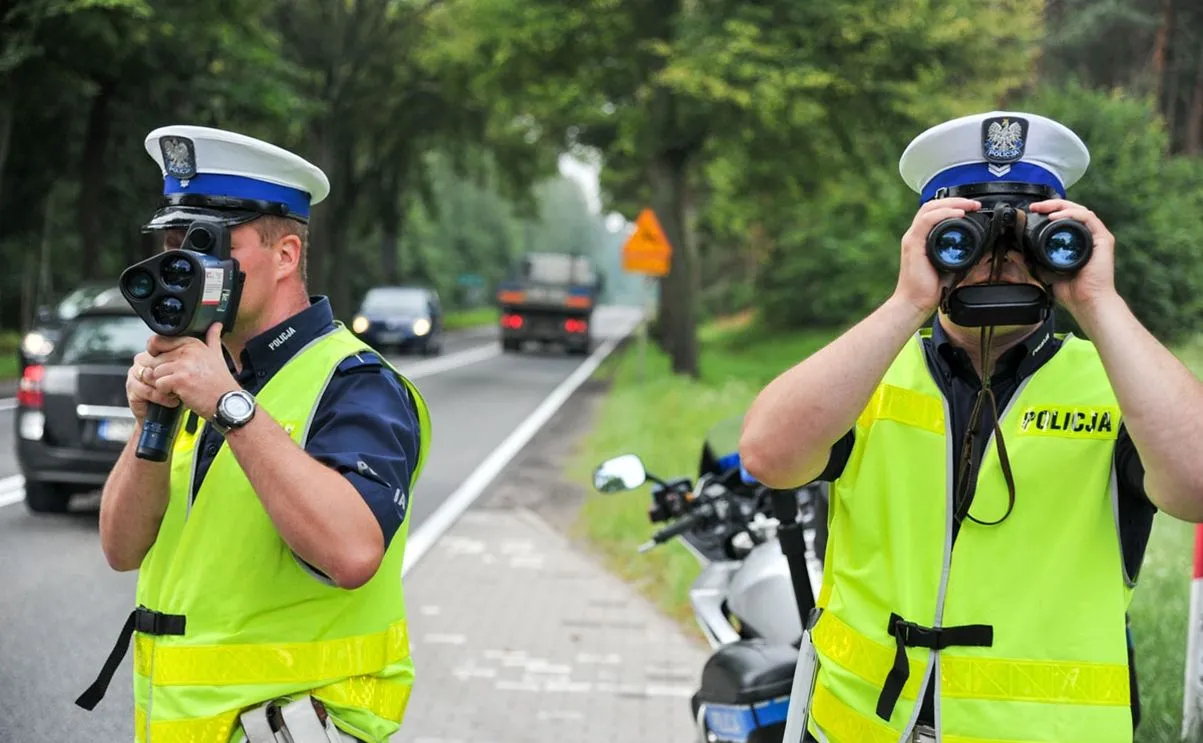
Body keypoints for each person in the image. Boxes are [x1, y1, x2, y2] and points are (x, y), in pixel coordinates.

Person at [740, 111, 1203, 742]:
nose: (998, 261)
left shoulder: (1117, 388)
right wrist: (908, 302)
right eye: (970, 236)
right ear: (927, 239)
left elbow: (1196, 486)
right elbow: (769, 455)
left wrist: (1098, 300)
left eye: (1023, 240)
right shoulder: (871, 374)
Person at [74, 125, 431, 743]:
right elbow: (122, 549)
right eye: (174, 240)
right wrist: (146, 425)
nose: (183, 263)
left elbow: (351, 554)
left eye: (210, 241)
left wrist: (231, 408)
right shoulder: (202, 371)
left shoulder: (356, 382)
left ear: (286, 255)